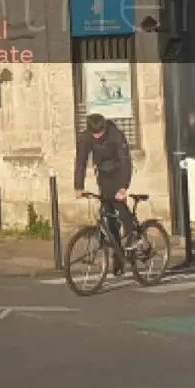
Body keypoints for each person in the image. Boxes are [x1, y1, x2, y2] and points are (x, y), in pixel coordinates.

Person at [74, 113, 137, 274]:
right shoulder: (86, 137)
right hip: (103, 175)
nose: (97, 136)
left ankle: (134, 237)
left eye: (100, 133)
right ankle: (118, 255)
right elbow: (81, 161)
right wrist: (78, 186)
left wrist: (123, 187)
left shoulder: (116, 134)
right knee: (109, 217)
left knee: (119, 207)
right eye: (94, 133)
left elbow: (125, 161)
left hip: (118, 173)